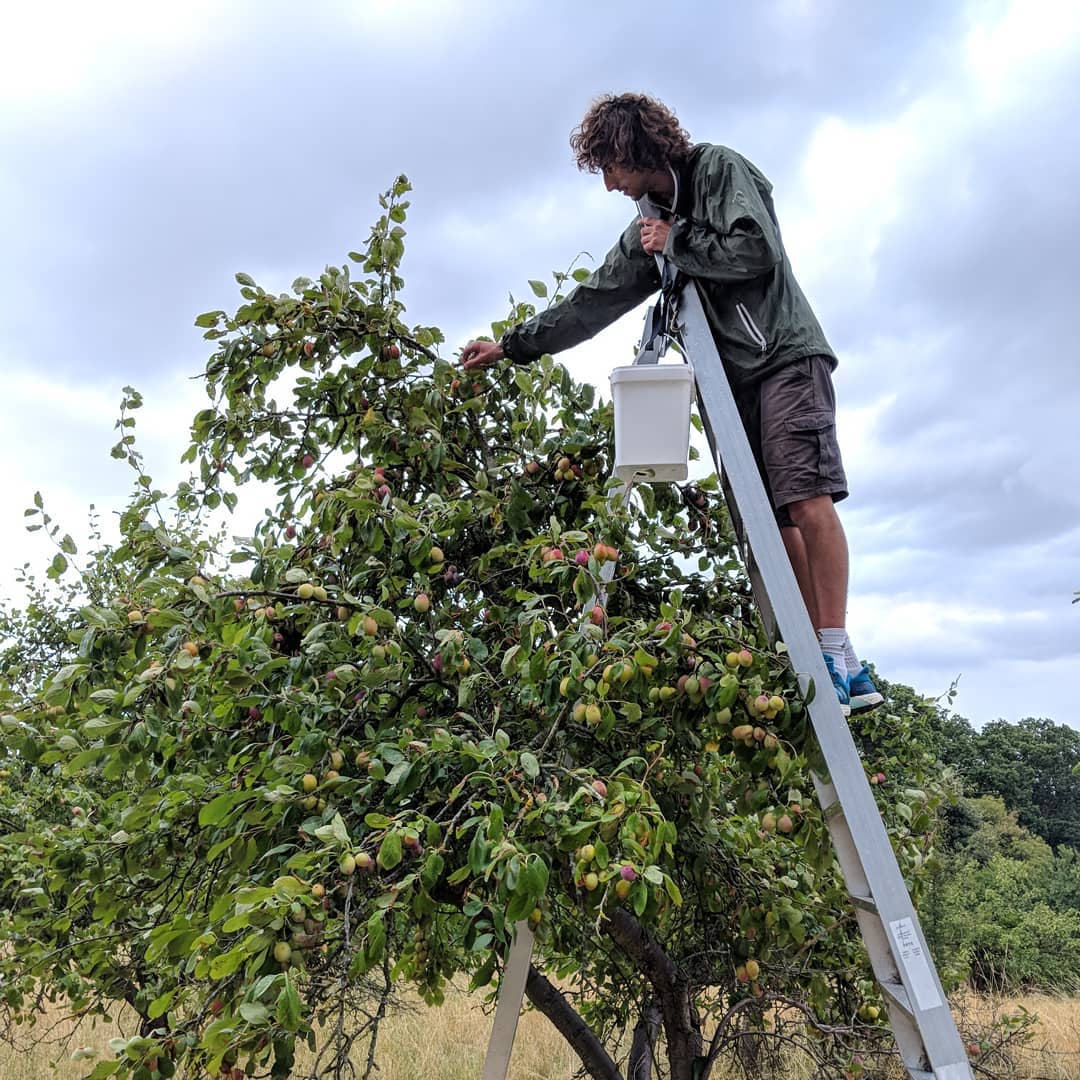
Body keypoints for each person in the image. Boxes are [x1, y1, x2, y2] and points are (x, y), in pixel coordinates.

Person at [461, 92, 881, 716]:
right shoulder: (647, 225)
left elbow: (756, 248)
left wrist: (678, 240)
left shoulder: (717, 170)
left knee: (806, 495)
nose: (608, 185)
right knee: (770, 520)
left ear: (635, 148)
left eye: (611, 167)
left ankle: (834, 647)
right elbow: (593, 300)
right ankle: (814, 645)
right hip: (732, 383)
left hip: (785, 356)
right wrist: (513, 346)